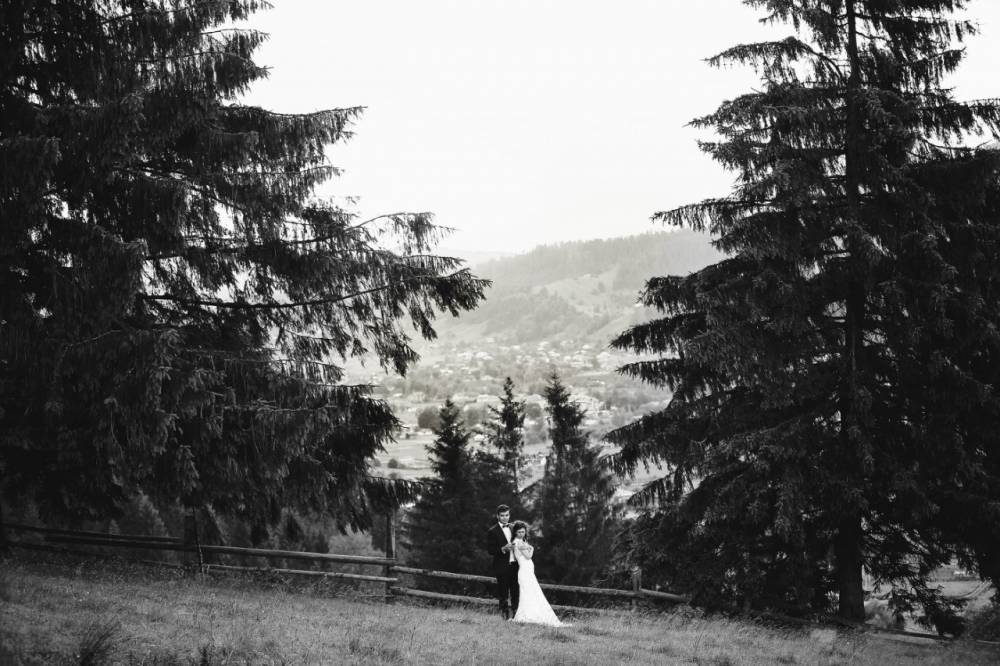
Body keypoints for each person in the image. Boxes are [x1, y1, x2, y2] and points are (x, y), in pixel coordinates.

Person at [510, 521, 567, 626]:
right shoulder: (518, 542)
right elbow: (528, 556)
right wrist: (532, 549)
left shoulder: (520, 541)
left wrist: (529, 548)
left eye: (523, 532)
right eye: (519, 532)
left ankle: (531, 614)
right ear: (515, 532)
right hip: (525, 571)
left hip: (527, 570)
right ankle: (527, 615)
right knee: (528, 592)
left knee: (532, 592)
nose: (521, 534)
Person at [484, 504, 518, 619]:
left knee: (516, 592)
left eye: (507, 515)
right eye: (502, 515)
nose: (505, 518)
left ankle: (516, 616)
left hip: (516, 566)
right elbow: (490, 550)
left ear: (509, 515)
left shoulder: (514, 528)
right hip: (501, 566)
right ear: (497, 516)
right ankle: (505, 617)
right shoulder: (492, 531)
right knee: (503, 593)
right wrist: (503, 549)